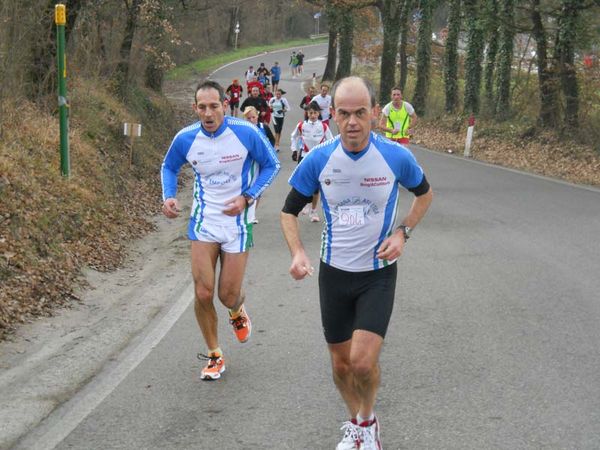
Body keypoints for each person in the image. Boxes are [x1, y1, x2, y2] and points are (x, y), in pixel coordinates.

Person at [280, 76, 433, 449]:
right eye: (344, 113)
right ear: (333, 116)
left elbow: (424, 195)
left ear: (375, 114)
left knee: (362, 362)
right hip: (333, 274)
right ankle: (359, 421)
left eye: (360, 113)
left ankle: (368, 420)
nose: (352, 122)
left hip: (376, 275)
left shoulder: (395, 157)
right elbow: (288, 212)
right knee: (341, 366)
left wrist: (403, 233)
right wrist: (298, 252)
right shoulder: (319, 159)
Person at [161, 80, 280, 381]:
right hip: (204, 221)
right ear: (195, 109)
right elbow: (169, 166)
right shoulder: (186, 138)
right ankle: (215, 355)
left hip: (237, 222)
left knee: (227, 295)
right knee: (202, 293)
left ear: (225, 106)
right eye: (202, 107)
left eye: (214, 106)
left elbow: (272, 165)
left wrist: (248, 196)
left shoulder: (246, 132)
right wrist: (169, 195)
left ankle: (237, 310)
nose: (208, 112)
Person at [289, 101, 333, 223]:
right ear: (307, 113)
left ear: (318, 113)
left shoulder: (324, 126)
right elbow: (294, 137)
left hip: (318, 159)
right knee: (303, 183)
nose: (313, 115)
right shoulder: (301, 125)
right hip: (304, 156)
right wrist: (294, 150)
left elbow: (331, 141)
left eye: (315, 113)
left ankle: (313, 211)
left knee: (316, 188)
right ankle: (307, 204)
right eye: (310, 113)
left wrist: (329, 156)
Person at [242, 106, 276, 224]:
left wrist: (268, 153)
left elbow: (272, 140)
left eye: (253, 117)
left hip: (261, 163)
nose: (251, 120)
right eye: (248, 118)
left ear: (257, 116)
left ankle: (253, 214)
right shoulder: (243, 130)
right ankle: (245, 212)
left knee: (258, 188)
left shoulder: (263, 127)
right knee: (247, 186)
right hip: (247, 163)